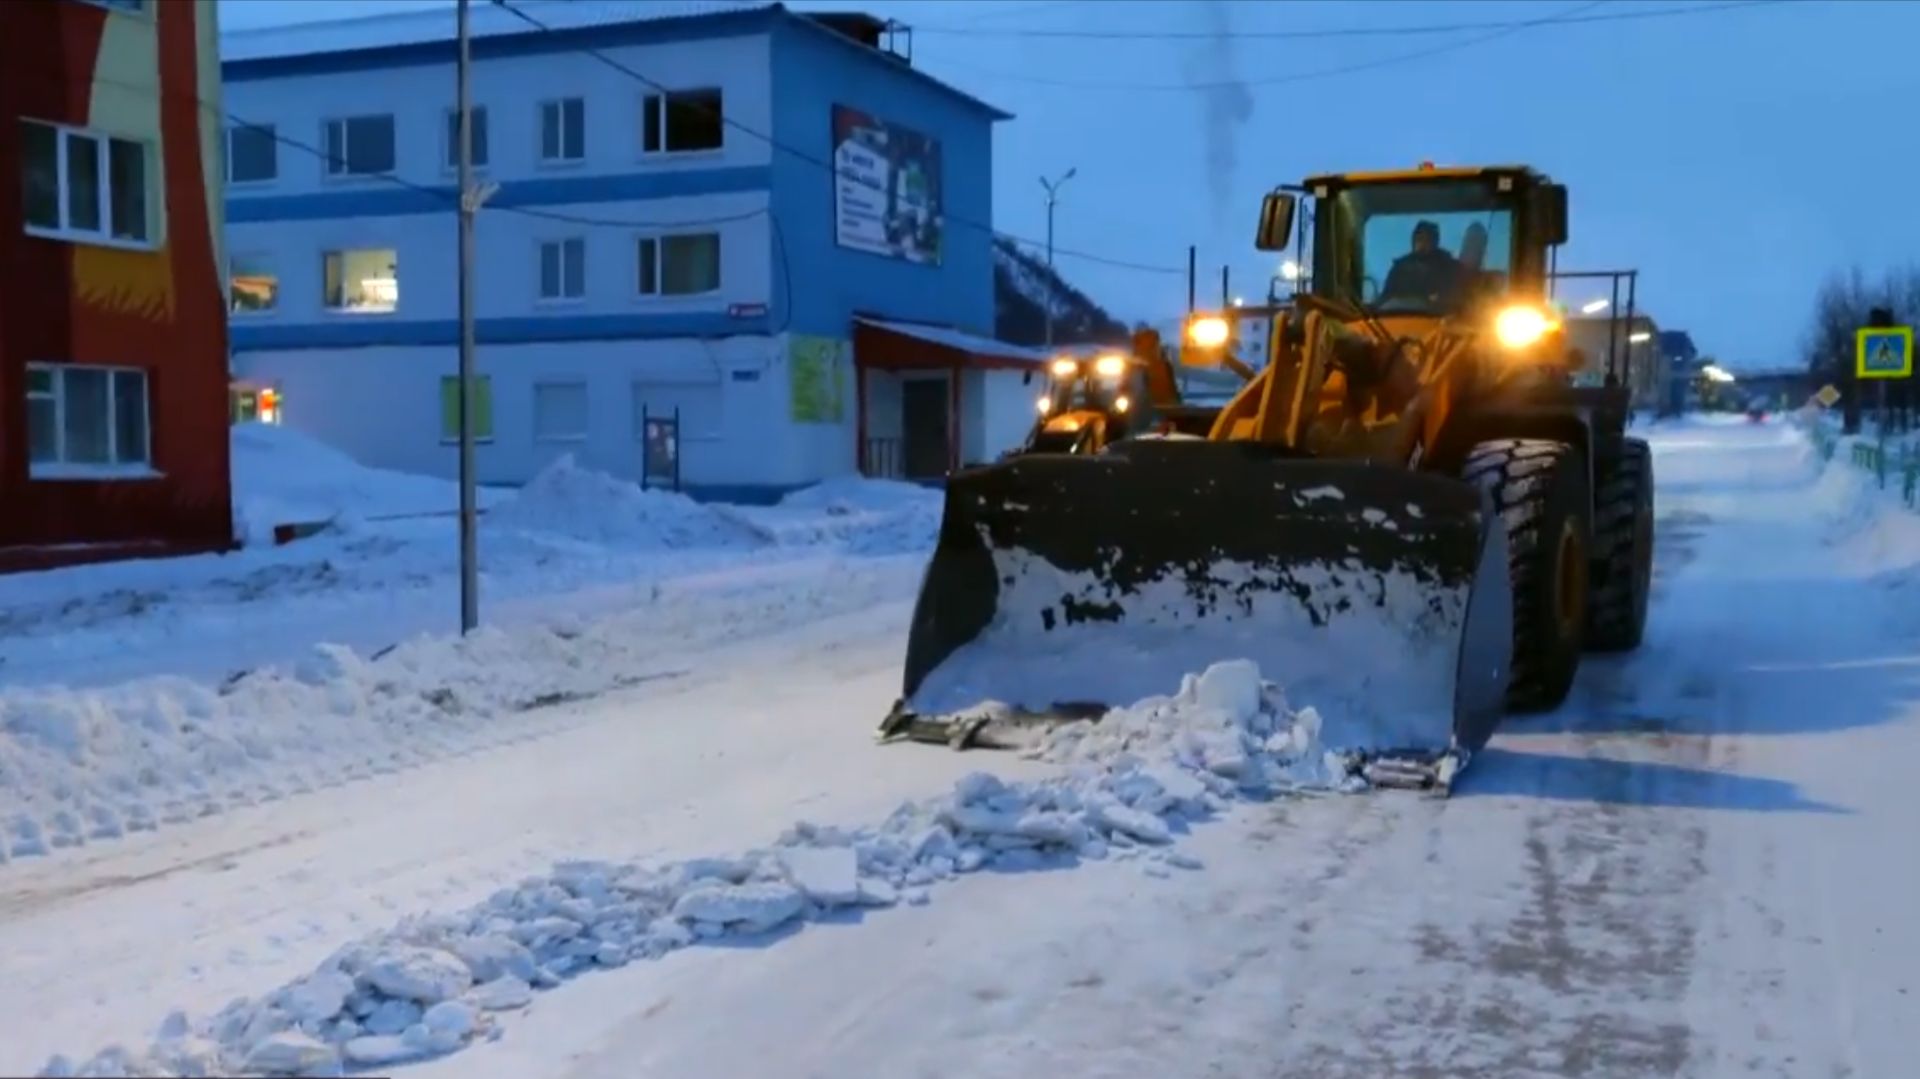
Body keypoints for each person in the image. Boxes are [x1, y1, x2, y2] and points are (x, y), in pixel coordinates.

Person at [1378, 220, 1459, 307]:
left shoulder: (1449, 268)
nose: (1422, 244)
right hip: (1401, 316)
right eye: (1419, 238)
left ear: (1435, 242)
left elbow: (1454, 301)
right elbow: (1386, 298)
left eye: (1427, 239)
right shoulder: (1399, 269)